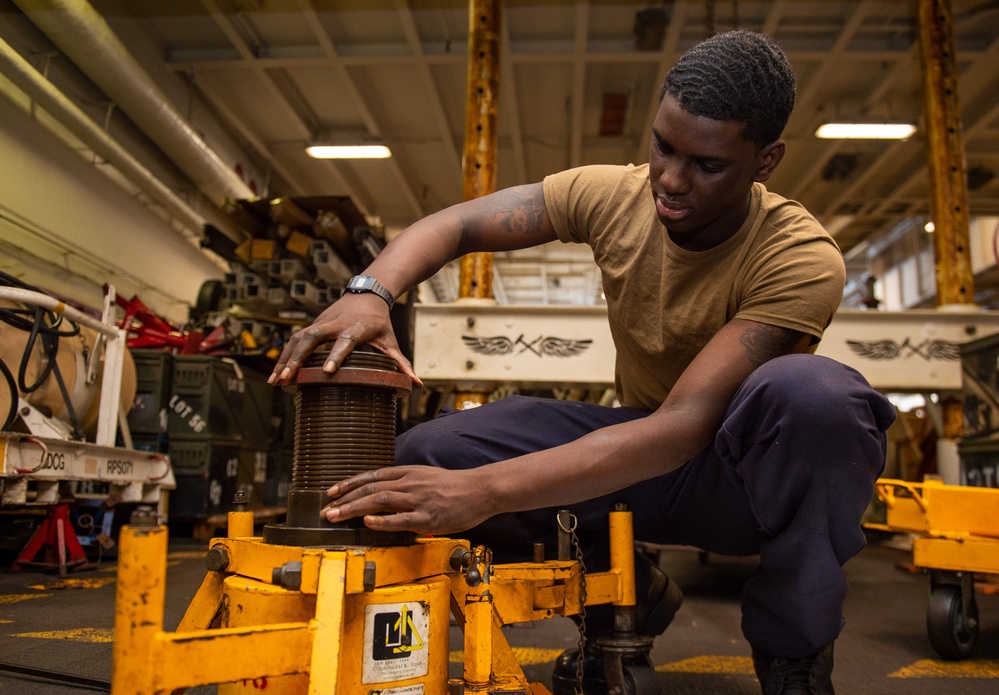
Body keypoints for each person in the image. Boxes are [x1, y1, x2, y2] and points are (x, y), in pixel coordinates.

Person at [270, 29, 896, 695]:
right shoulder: (611, 194)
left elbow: (684, 426)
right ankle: (630, 598)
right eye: (662, 146)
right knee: (428, 455)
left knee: (816, 399)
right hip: (638, 457)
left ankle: (791, 653)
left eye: (707, 164)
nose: (671, 180)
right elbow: (452, 226)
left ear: (764, 161)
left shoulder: (798, 255)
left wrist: (484, 491)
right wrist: (367, 293)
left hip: (736, 480)